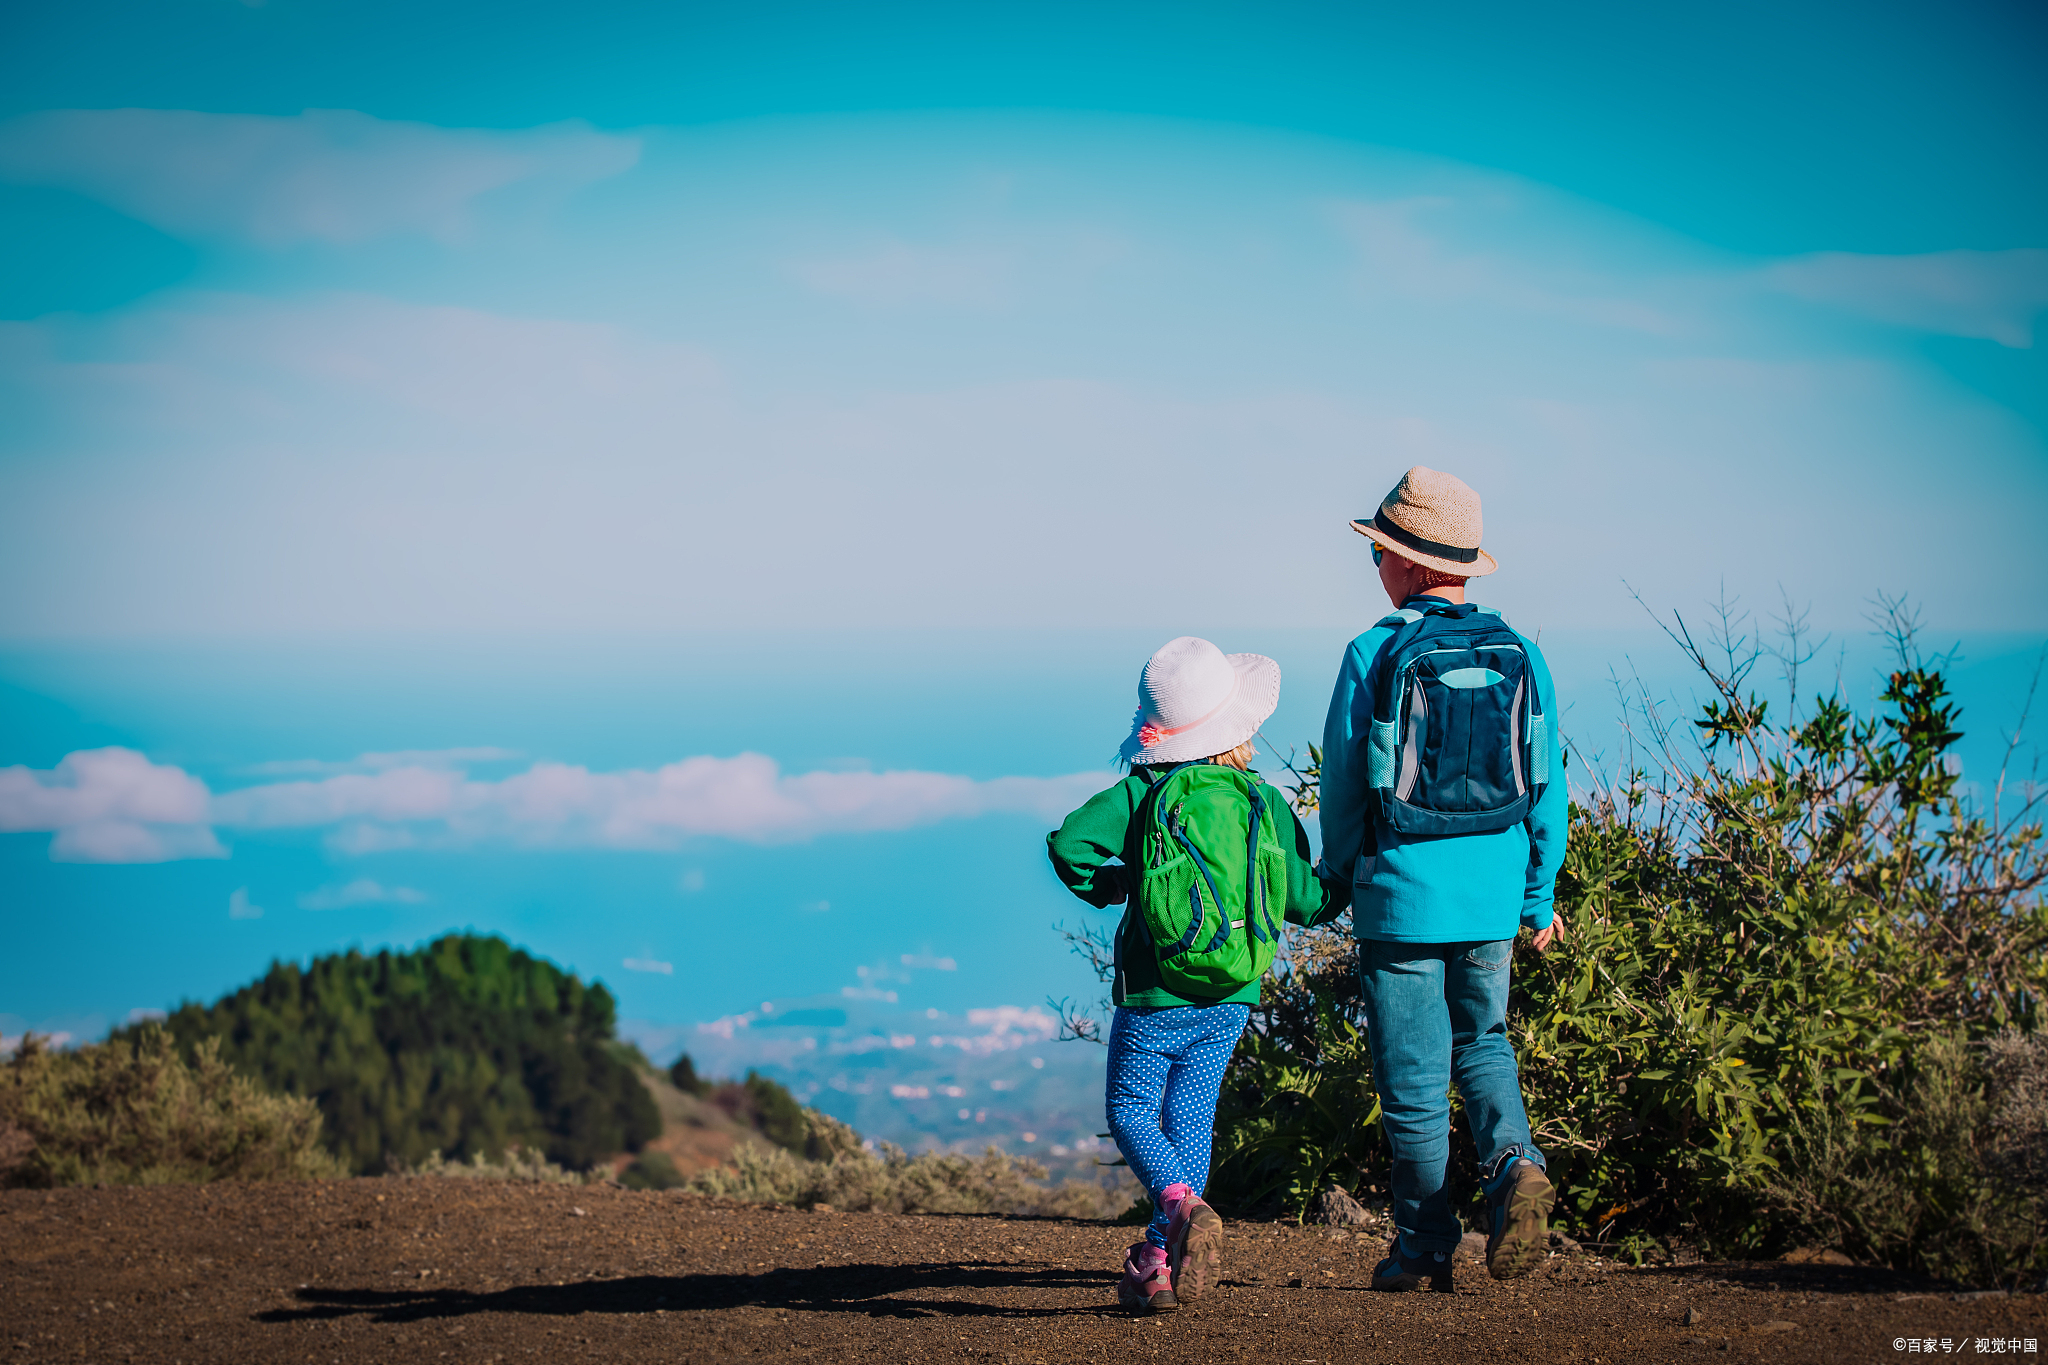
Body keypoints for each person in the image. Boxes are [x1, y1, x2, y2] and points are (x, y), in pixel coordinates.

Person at [1318, 466, 1568, 1293]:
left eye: (1378, 550)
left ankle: (1425, 1246)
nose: (1373, 564)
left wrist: (1340, 875)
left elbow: (1346, 786)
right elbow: (1547, 785)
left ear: (1409, 563)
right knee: (1484, 1042)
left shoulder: (1372, 651)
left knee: (1415, 1080)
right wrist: (1538, 895)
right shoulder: (1520, 653)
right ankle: (1511, 1164)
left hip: (1401, 898)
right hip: (1493, 894)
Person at [1047, 636, 1340, 1313]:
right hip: (1231, 995)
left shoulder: (1143, 790)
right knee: (1189, 1122)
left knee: (1130, 1112)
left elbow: (1068, 845)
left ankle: (1178, 1210)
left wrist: (1114, 882)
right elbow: (1306, 897)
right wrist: (1352, 878)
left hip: (1156, 993)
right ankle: (1157, 1263)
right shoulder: (1262, 801)